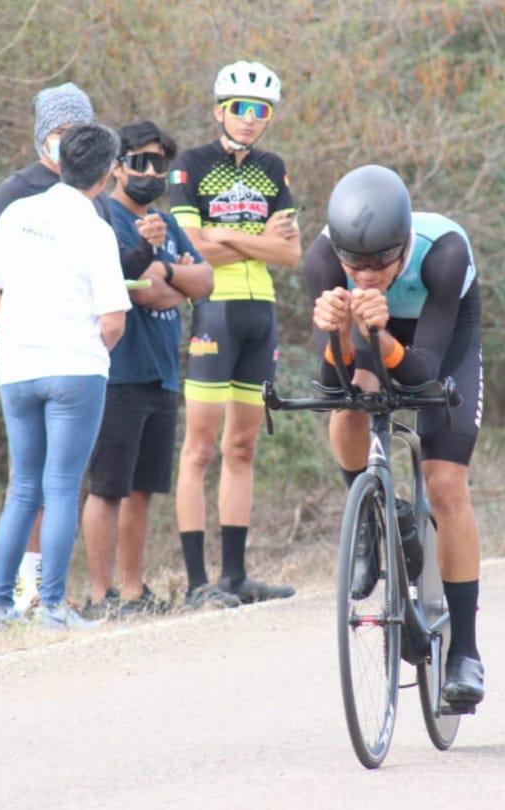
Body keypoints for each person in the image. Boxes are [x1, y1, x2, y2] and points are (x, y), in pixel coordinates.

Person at [305, 164, 486, 706]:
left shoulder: (444, 251)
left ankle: (465, 654)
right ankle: (370, 518)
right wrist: (336, 335)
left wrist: (381, 335)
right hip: (371, 335)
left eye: (382, 260)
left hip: (439, 340)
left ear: (404, 244)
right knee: (348, 405)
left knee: (447, 483)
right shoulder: (321, 261)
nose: (367, 273)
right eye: (353, 262)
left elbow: (426, 370)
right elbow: (330, 380)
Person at [0, 123, 130, 632]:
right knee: (61, 487)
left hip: (16, 365)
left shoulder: (17, 213)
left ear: (58, 163)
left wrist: (25, 331)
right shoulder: (96, 230)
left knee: (22, 487)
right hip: (75, 367)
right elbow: (113, 321)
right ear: (107, 175)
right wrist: (82, 348)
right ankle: (53, 607)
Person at [168, 61, 303, 608]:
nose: (250, 119)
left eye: (261, 111)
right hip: (213, 310)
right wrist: (253, 236)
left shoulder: (275, 168)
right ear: (219, 110)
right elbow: (191, 246)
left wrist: (223, 234)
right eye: (240, 109)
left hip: (259, 311)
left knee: (242, 446)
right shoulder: (191, 165)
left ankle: (235, 578)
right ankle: (198, 583)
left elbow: (291, 253)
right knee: (199, 449)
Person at [81, 121, 213, 619]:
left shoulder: (168, 222)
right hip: (119, 372)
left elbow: (204, 280)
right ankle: (101, 595)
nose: (151, 171)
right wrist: (163, 277)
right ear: (116, 166)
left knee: (142, 489)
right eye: (140, 162)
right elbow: (144, 290)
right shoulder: (104, 219)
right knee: (108, 486)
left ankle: (134, 591)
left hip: (162, 372)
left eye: (160, 163)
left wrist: (168, 270)